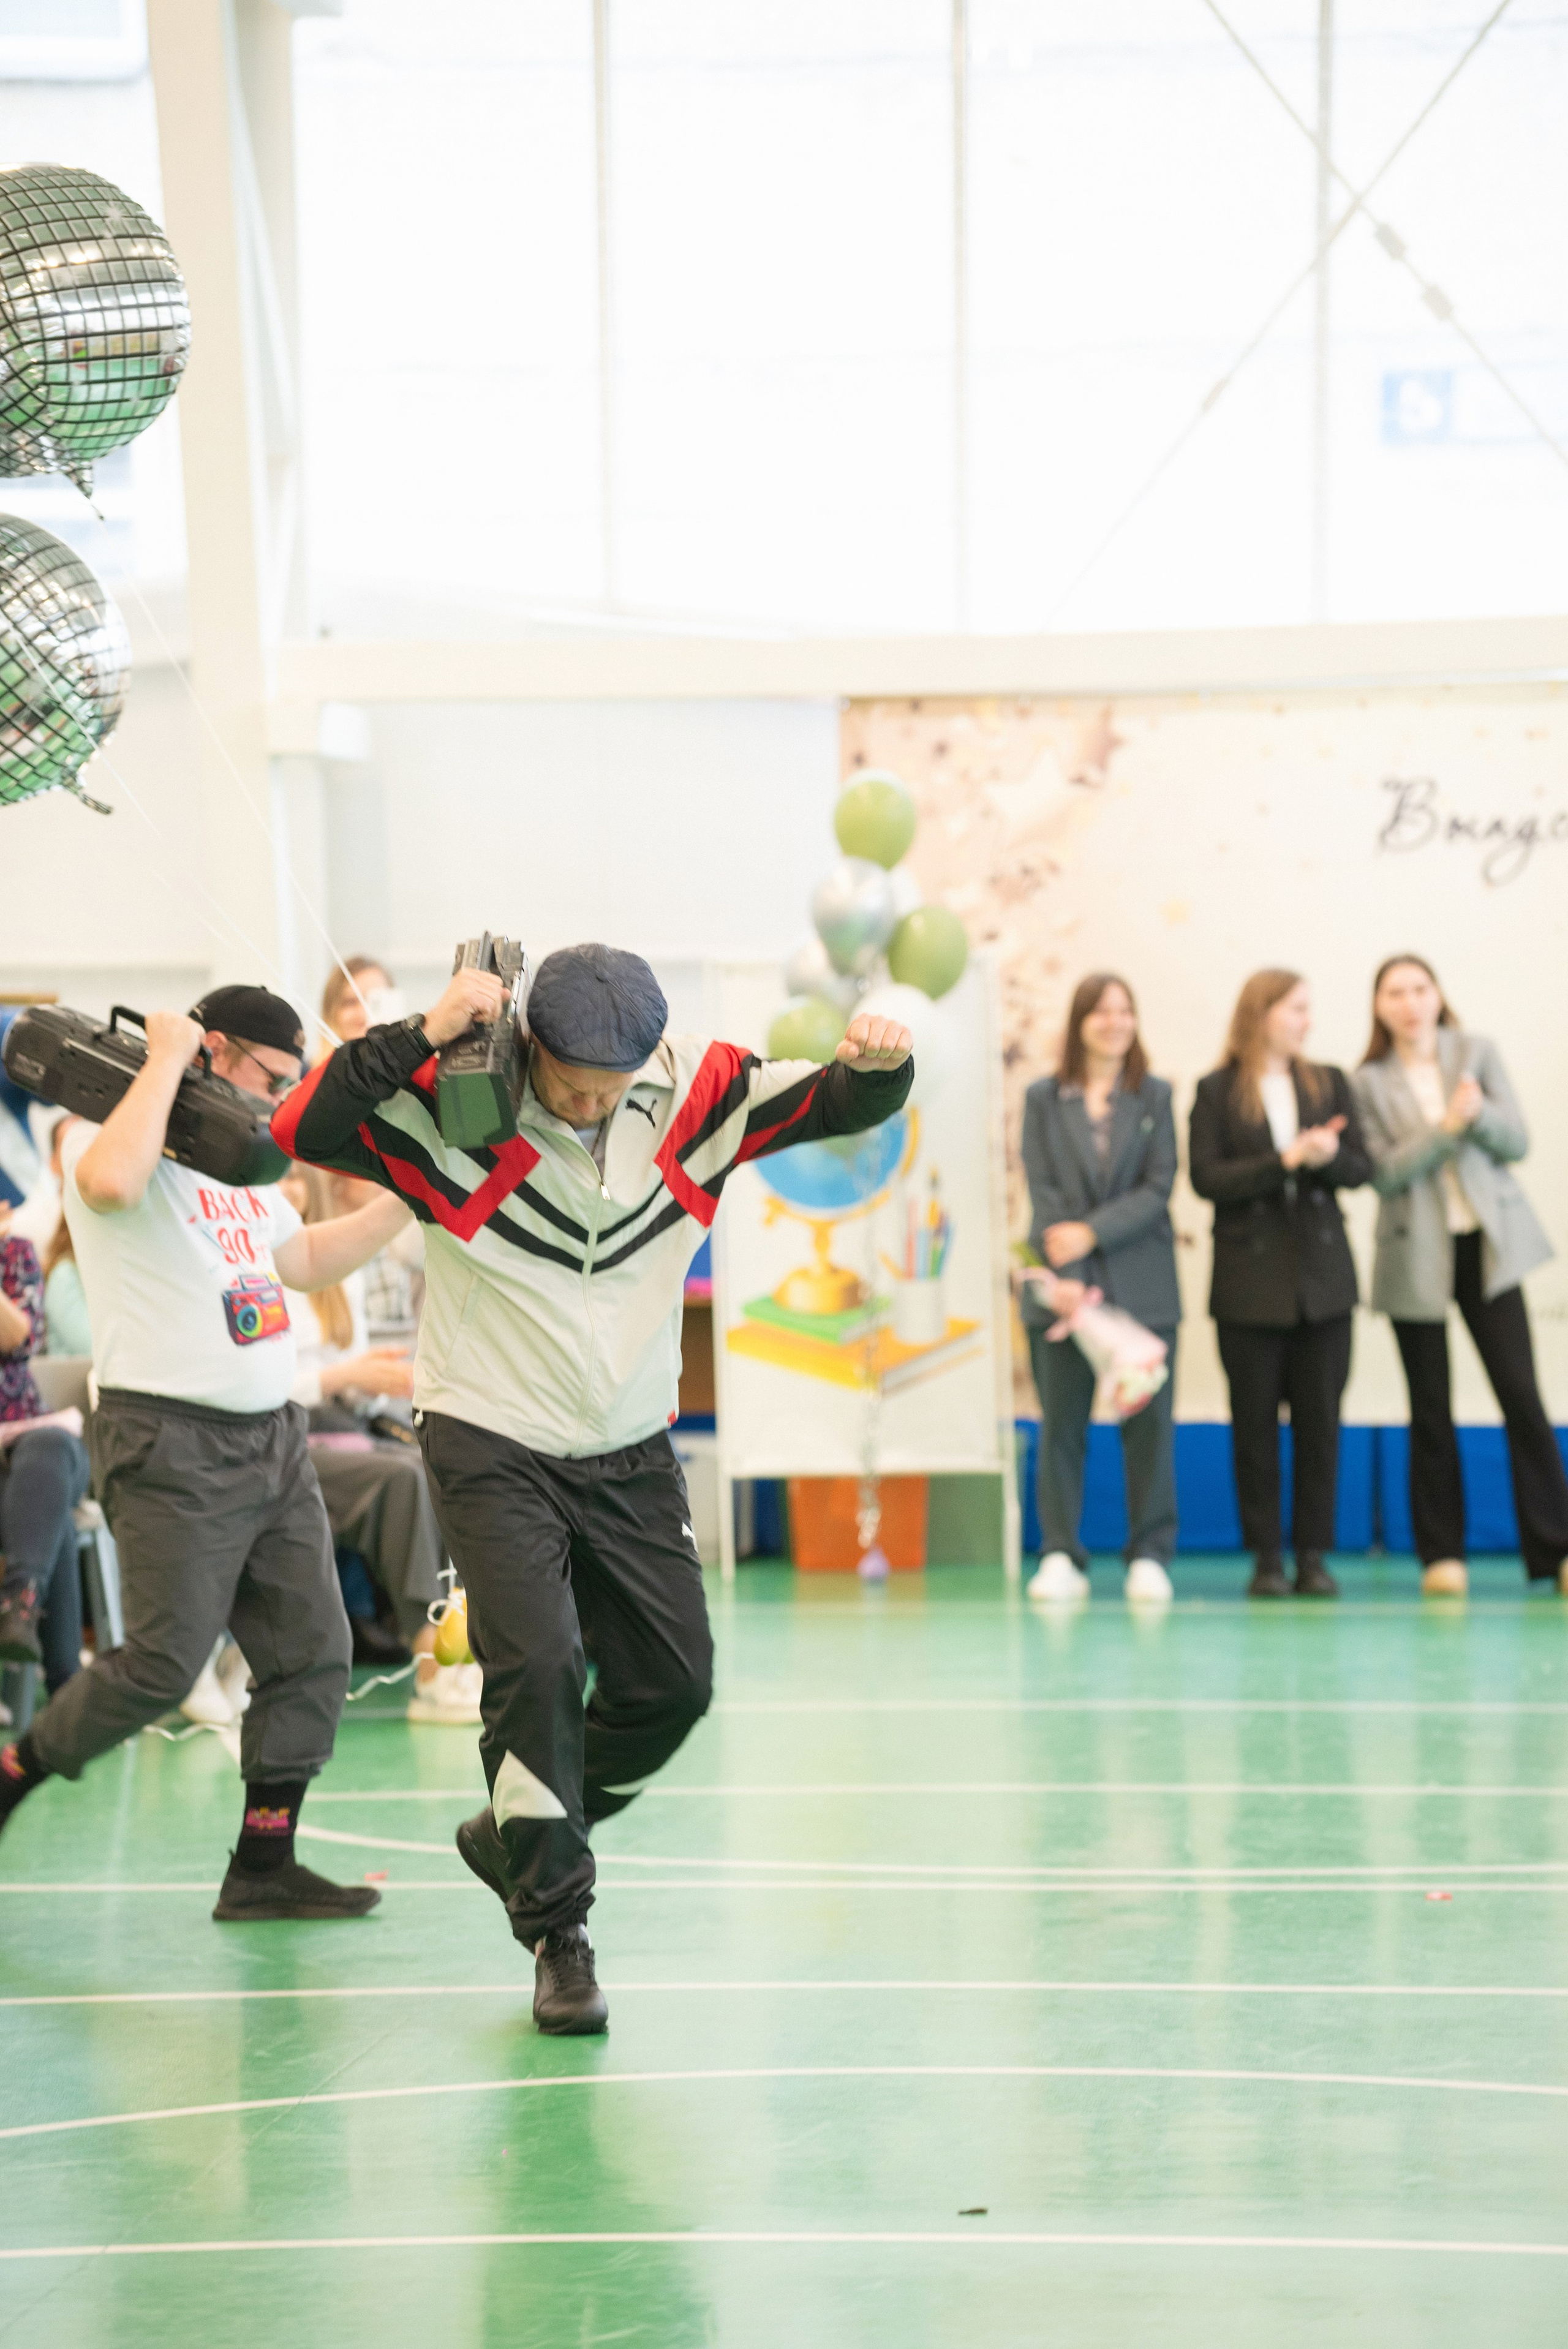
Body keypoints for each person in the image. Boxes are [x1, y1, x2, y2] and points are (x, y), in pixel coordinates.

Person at [276, 941, 914, 2034]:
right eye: (570, 1082)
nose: (587, 1103)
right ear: (529, 1041)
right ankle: (558, 1932)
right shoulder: (457, 1105)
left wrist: (883, 1063)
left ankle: (521, 1830)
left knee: (674, 1684)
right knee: (538, 1665)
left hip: (627, 1441)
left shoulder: (701, 1094)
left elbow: (836, 1102)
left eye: (609, 1088)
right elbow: (303, 1126)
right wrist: (422, 1032)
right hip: (489, 1430)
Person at [0, 984, 413, 1925]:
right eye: (273, 1077)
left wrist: (406, 1201)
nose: (280, 1098)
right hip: (171, 1439)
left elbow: (297, 1260)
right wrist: (165, 1056)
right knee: (161, 1662)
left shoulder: (243, 1162)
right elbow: (111, 1185)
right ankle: (15, 1770)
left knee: (314, 1650)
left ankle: (264, 1862)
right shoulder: (110, 1132)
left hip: (274, 1437)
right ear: (214, 1049)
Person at [1352, 954, 1568, 1598]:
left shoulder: (1477, 1051)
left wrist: (1479, 1117)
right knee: (1430, 1405)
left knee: (1521, 1397)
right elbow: (1382, 1173)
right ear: (1379, 1005)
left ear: (1438, 994)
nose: (1409, 1003)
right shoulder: (1367, 1081)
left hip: (1487, 1246)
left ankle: (1556, 1549)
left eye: (1419, 989)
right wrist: (1445, 1129)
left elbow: (1517, 1142)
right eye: (1395, 992)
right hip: (1414, 1251)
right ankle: (1441, 1554)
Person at [1189, 969, 1371, 1600]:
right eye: (1295, 1008)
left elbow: (1362, 1168)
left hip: (1323, 1285)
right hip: (1249, 1287)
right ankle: (1266, 1557)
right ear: (1262, 1012)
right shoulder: (1216, 1090)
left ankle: (1312, 1555)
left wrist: (1326, 1157)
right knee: (1254, 1429)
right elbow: (1207, 1178)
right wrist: (1284, 1162)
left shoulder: (1329, 1082)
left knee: (1321, 1427)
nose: (1306, 1020)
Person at [282, 1161, 477, 1717]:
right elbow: (263, 1384)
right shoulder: (258, 1269)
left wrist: (374, 1381)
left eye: (294, 1178)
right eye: (282, 1179)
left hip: (345, 1425)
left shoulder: (339, 1272)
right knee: (401, 1478)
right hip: (287, 1431)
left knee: (445, 1462)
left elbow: (351, 1384)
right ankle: (431, 1658)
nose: (288, 1189)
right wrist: (342, 1376)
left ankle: (468, 1638)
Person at [1020, 972, 1181, 1606]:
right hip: (1062, 1290)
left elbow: (1158, 1187)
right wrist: (1068, 1280)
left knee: (1150, 1428)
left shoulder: (1156, 1096)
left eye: (1125, 1010)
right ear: (1079, 1022)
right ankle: (1060, 1552)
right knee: (1061, 1427)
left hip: (1143, 1286)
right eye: (1101, 1011)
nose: (1115, 1022)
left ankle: (1150, 1554)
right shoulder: (1042, 1098)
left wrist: (1090, 1233)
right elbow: (1043, 1188)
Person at [0, 1210, 89, 1695]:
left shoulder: (15, 1255)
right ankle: (65, 1686)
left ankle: (20, 1602)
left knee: (48, 1454)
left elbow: (18, 1340)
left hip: (36, 1439)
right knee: (50, 1516)